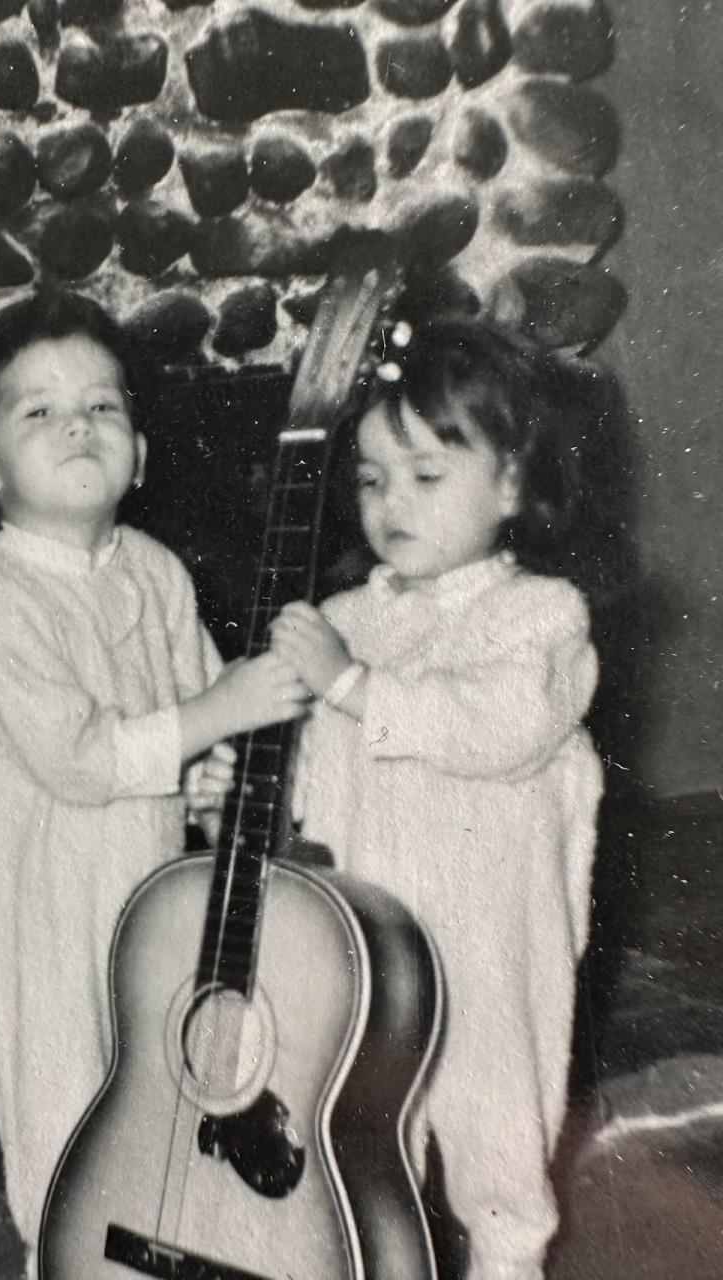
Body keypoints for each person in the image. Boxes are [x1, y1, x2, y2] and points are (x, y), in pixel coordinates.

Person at [0, 291, 308, 1268]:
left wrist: (215, 766)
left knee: (158, 1102)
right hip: (42, 916)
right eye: (40, 411)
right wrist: (219, 711)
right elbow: (85, 757)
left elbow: (189, 716)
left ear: (139, 452)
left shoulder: (152, 570)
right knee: (68, 1117)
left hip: (146, 903)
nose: (79, 427)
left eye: (103, 406)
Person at [271, 319, 605, 1280]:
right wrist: (249, 780)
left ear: (508, 485)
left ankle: (507, 1263)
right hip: (370, 952)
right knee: (363, 1136)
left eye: (425, 475)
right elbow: (312, 771)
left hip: (488, 948)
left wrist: (352, 688)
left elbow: (498, 729)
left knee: (494, 1130)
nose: (390, 503)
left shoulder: (538, 617)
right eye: (372, 479)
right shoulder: (343, 621)